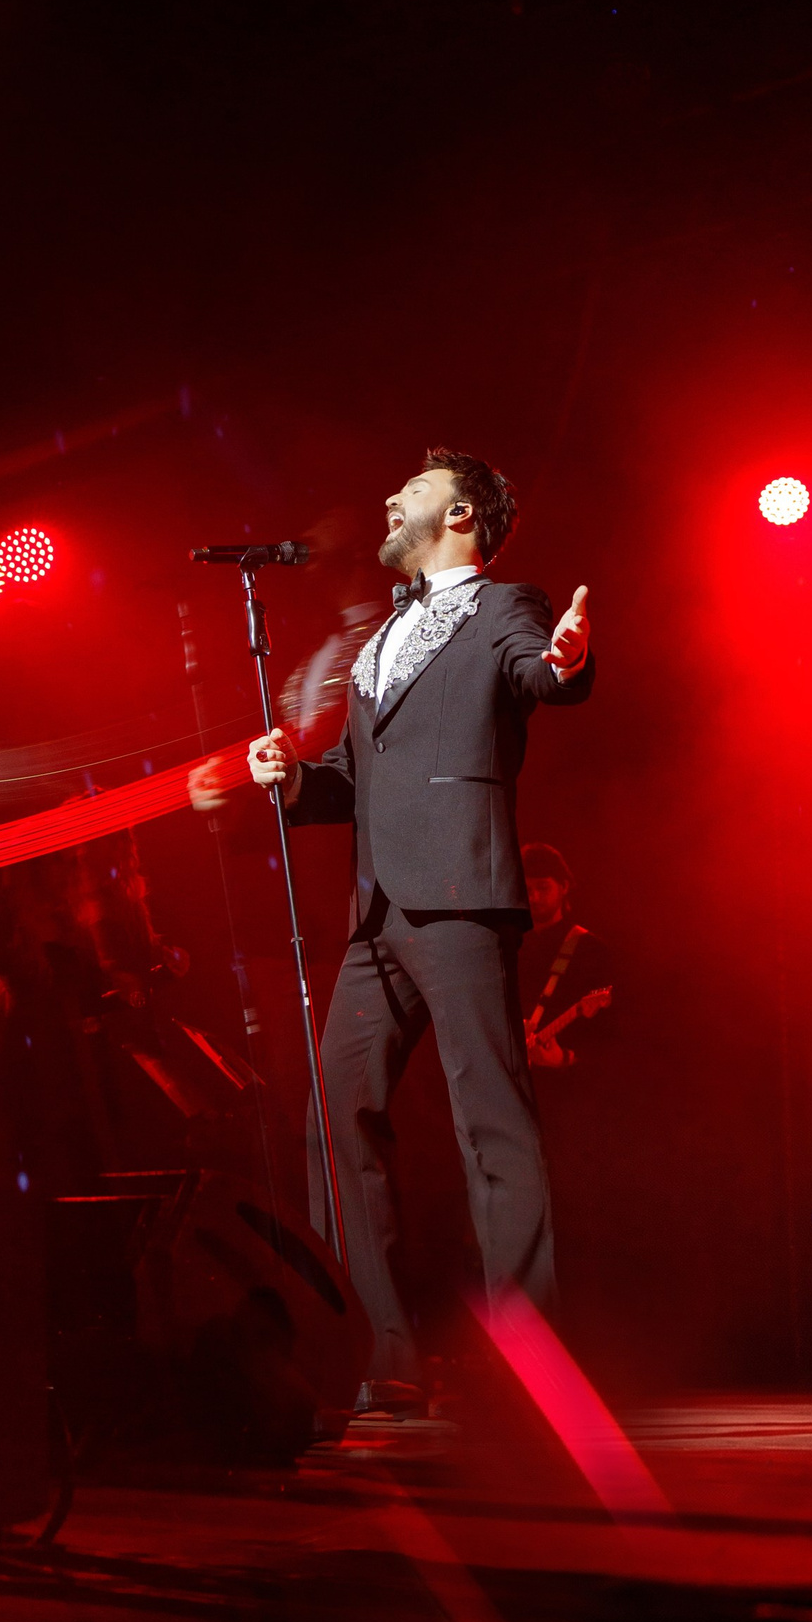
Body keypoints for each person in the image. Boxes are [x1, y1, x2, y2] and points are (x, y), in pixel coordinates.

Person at [247, 449, 592, 1422]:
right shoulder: (385, 636)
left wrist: (567, 660)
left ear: (464, 516)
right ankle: (378, 1350)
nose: (392, 497)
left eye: (415, 490)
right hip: (377, 912)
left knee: (490, 1122)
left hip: (462, 892)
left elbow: (541, 671)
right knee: (335, 1117)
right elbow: (354, 782)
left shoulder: (504, 608)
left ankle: (526, 1365)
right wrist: (295, 778)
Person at [517, 843, 613, 1072]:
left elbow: (610, 1038)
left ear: (564, 886)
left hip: (562, 1083)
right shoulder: (503, 944)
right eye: (526, 889)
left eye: (543, 887)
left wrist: (565, 1057)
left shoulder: (589, 949)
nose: (534, 897)